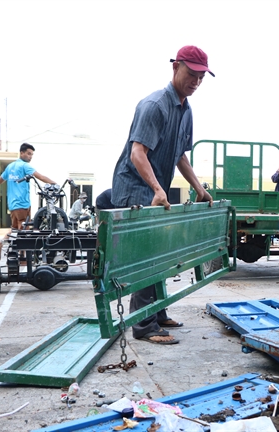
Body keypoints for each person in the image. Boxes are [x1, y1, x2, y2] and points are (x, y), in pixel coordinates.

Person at [109, 45, 214, 345]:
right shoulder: (155, 105)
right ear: (175, 68)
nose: (195, 82)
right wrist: (157, 188)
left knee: (162, 254)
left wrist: (198, 187)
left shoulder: (186, 110)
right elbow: (137, 153)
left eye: (201, 78)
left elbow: (180, 155)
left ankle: (158, 312)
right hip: (133, 188)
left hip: (155, 191)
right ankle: (144, 326)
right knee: (148, 257)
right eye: (191, 74)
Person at [0, 143, 57, 261]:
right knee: (24, 230)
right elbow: (41, 177)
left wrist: (11, 179)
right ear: (21, 153)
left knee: (15, 229)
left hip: (12, 204)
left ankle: (1, 244)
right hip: (22, 203)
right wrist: (55, 183)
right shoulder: (24, 166)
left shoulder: (10, 166)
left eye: (31, 154)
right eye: (28, 154)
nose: (30, 157)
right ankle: (22, 257)